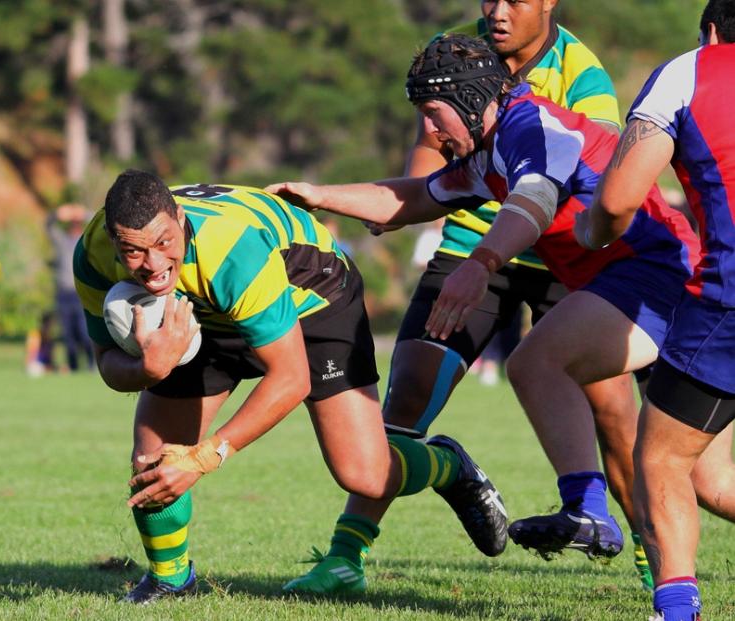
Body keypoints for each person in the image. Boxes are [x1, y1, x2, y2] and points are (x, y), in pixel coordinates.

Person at [266, 32, 728, 598]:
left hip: (657, 275)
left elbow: (535, 197)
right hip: (644, 280)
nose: (431, 132)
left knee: (538, 364)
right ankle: (603, 524)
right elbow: (412, 198)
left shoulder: (527, 125)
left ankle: (588, 509)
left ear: (468, 101)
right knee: (711, 480)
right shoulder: (489, 151)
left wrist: (480, 262)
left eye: (434, 116)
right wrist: (318, 195)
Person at [74, 171, 508, 603]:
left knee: (365, 475)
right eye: (133, 251)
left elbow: (291, 378)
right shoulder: (92, 255)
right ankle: (171, 579)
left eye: (164, 243)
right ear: (113, 241)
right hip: (208, 311)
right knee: (153, 458)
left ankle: (448, 465)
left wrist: (206, 456)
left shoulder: (229, 251)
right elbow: (108, 365)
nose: (152, 265)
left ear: (180, 218)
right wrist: (151, 368)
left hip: (313, 298)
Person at [580, 2, 735, 618]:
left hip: (728, 301)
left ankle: (676, 610)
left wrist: (593, 230)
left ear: (713, 30)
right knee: (709, 470)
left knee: (664, 456)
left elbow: (618, 200)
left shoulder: (690, 71)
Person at [47, 202, 94, 372]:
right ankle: (73, 366)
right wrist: (58, 214)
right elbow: (48, 225)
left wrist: (84, 213)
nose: (75, 226)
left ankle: (91, 363)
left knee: (84, 331)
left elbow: (100, 223)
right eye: (72, 223)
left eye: (77, 223)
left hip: (81, 292)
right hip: (63, 293)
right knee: (68, 334)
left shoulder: (86, 241)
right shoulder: (61, 240)